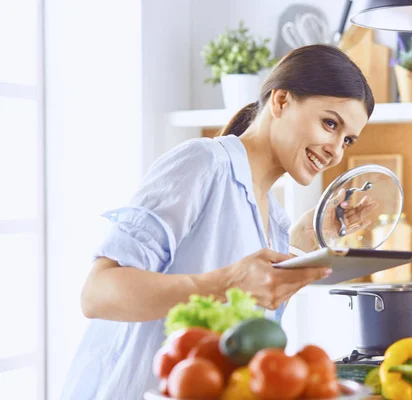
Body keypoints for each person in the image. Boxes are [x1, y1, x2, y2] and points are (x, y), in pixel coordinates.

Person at [60, 44, 375, 399]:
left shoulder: (274, 214)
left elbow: (232, 270)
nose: (336, 149)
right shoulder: (203, 162)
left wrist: (308, 234)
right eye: (329, 123)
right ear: (282, 101)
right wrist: (226, 283)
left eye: (347, 139)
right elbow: (97, 294)